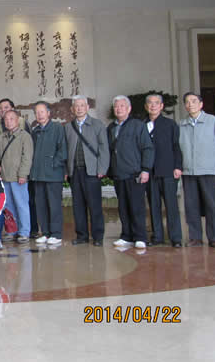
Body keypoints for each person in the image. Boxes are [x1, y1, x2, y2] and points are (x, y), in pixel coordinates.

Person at [108, 95, 154, 249]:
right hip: (119, 174)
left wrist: (145, 169)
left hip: (135, 173)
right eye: (116, 106)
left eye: (122, 106)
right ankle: (126, 235)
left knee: (136, 207)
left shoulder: (137, 125)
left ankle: (140, 236)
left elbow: (147, 148)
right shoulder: (111, 127)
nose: (119, 109)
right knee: (123, 207)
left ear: (129, 109)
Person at [179, 92, 215, 248]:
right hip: (188, 171)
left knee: (211, 205)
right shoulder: (182, 124)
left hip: (208, 170)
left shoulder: (213, 121)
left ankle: (214, 238)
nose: (190, 104)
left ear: (201, 104)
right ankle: (195, 237)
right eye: (187, 102)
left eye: (193, 101)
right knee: (191, 206)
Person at [64, 95, 110, 246]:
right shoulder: (68, 127)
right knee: (78, 205)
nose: (79, 108)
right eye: (76, 106)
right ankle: (82, 235)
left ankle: (98, 236)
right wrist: (66, 170)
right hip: (75, 172)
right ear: (72, 109)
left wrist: (102, 168)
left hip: (92, 171)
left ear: (87, 107)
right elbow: (65, 150)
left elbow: (104, 148)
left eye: (82, 105)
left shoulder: (97, 124)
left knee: (94, 205)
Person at [144, 94, 183, 248]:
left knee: (171, 205)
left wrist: (178, 166)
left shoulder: (170, 124)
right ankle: (157, 236)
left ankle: (176, 238)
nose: (153, 106)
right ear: (146, 106)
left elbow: (176, 146)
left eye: (156, 103)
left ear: (161, 106)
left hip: (167, 170)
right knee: (154, 206)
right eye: (150, 103)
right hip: (150, 171)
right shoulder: (142, 125)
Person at [0, 110, 33, 244]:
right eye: (6, 119)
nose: (9, 121)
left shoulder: (25, 136)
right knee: (8, 207)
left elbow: (27, 157)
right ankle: (11, 231)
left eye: (12, 118)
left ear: (17, 120)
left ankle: (24, 232)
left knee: (21, 205)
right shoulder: (0, 138)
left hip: (18, 178)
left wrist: (23, 174)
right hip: (4, 178)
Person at [30, 101, 67, 246]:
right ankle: (45, 233)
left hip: (53, 174)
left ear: (48, 113)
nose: (39, 115)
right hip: (38, 174)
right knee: (41, 205)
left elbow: (62, 150)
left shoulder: (57, 128)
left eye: (42, 112)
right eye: (37, 112)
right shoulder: (35, 131)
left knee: (54, 205)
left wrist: (53, 164)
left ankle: (56, 234)